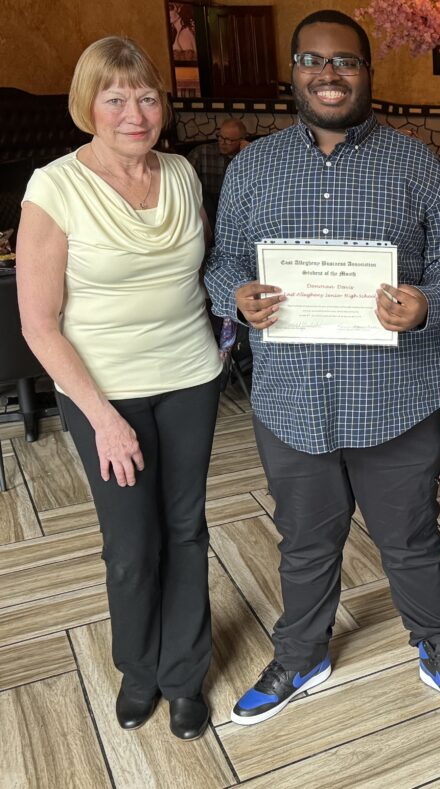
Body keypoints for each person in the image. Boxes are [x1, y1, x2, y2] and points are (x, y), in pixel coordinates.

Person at [205, 10, 440, 726]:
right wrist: (236, 297)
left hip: (392, 397)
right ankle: (301, 652)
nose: (329, 74)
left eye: (345, 62)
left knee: (412, 538)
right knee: (304, 542)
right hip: (291, 400)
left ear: (368, 73)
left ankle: (439, 645)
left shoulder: (417, 162)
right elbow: (222, 263)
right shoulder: (252, 167)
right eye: (312, 60)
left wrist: (424, 304)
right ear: (293, 73)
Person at [17, 37, 222, 741]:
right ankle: (138, 670)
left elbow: (197, 274)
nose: (134, 112)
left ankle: (184, 673)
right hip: (101, 391)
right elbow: (40, 325)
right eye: (115, 97)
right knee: (132, 542)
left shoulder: (183, 176)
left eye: (145, 96)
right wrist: (102, 417)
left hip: (191, 377)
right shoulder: (54, 185)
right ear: (89, 106)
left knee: (186, 528)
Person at [187, 117, 248, 223]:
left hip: (235, 207)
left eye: (229, 140)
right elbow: (184, 180)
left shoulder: (247, 155)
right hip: (205, 206)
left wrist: (248, 153)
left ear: (241, 140)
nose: (223, 142)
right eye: (220, 137)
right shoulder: (202, 152)